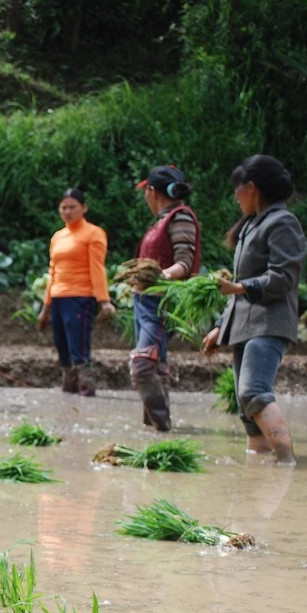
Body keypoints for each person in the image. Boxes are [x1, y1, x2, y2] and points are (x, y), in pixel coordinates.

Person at [201, 154, 307, 465]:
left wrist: (240, 288)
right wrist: (221, 325)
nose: (235, 197)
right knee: (245, 406)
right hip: (244, 325)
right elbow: (238, 284)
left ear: (252, 188)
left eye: (238, 189)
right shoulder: (251, 226)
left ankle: (288, 464)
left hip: (270, 322)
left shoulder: (283, 222)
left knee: (253, 391)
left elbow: (284, 276)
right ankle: (258, 466)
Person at [128, 165, 202, 431]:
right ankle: (153, 432)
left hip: (161, 302)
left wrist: (159, 278)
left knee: (143, 364)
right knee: (156, 365)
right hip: (145, 303)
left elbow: (183, 263)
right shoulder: (162, 219)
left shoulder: (180, 218)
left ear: (151, 191)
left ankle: (163, 428)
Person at [37, 187, 114, 396]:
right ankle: (68, 391)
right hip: (58, 298)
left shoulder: (93, 233)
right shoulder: (58, 237)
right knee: (62, 348)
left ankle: (87, 389)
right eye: (63, 208)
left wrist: (104, 301)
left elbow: (97, 268)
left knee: (78, 348)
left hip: (81, 297)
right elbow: (52, 272)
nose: (67, 212)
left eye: (72, 207)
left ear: (84, 208)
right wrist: (45, 309)